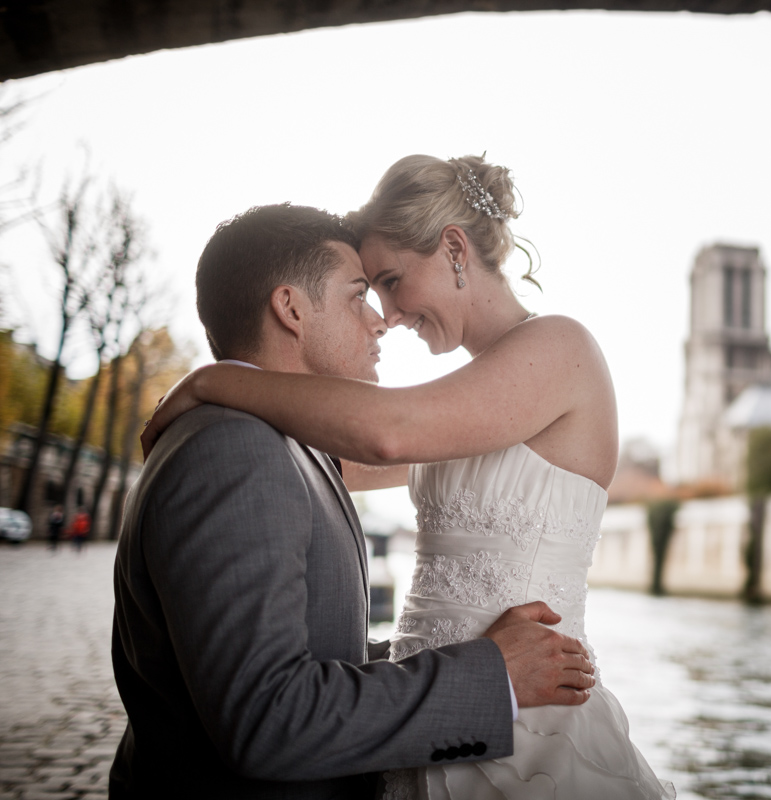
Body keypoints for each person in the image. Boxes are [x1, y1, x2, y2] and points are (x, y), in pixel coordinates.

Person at [143, 155, 674, 799]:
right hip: (435, 717)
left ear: (454, 249)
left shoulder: (560, 348)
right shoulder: (460, 406)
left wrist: (217, 379)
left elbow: (383, 431)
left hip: (529, 728)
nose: (388, 314)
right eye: (370, 292)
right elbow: (325, 458)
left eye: (391, 281)